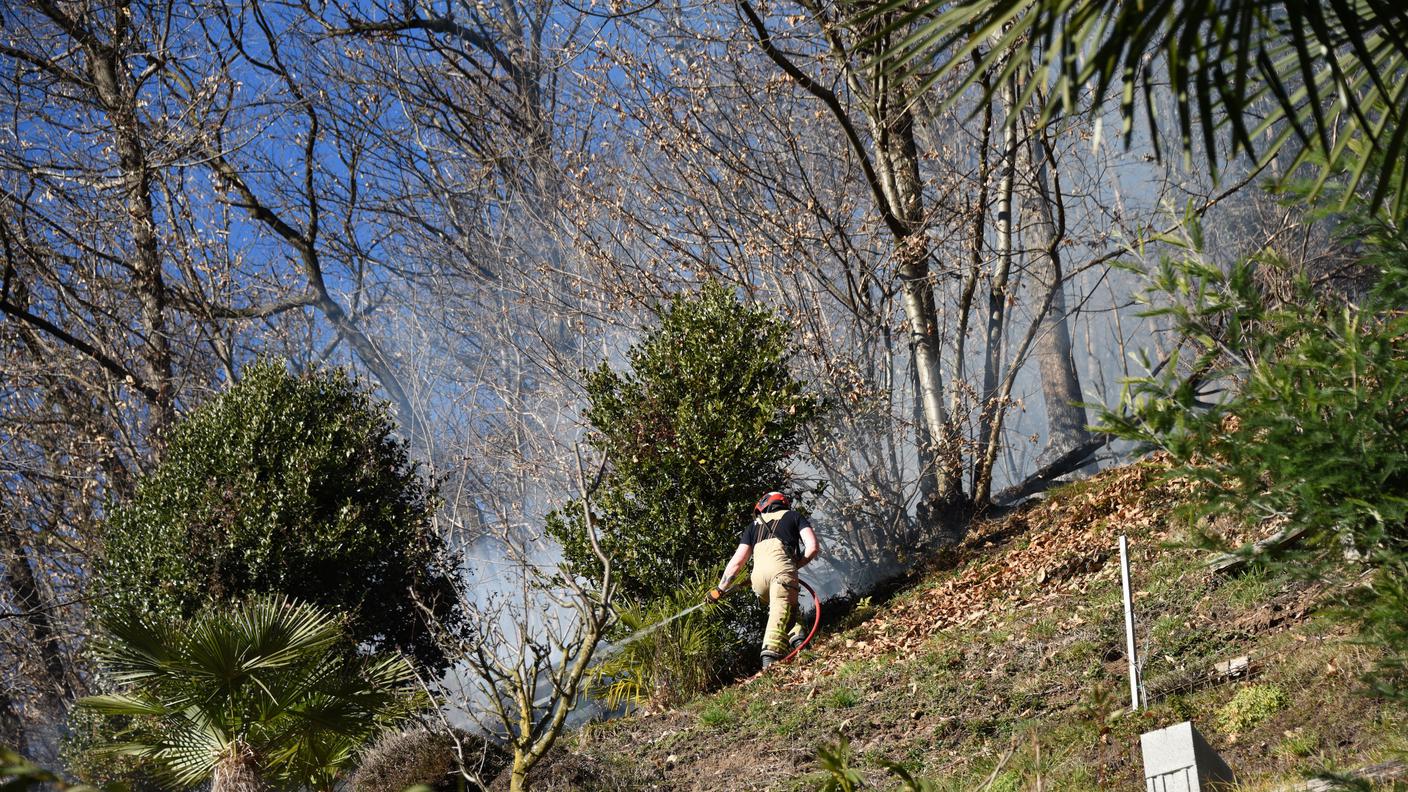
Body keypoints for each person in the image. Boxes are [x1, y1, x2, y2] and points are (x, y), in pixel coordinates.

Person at [708, 491, 821, 669]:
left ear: (763, 505)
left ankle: (801, 644)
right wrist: (795, 566)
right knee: (782, 607)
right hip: (782, 574)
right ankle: (770, 658)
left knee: (787, 608)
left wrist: (720, 589)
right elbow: (813, 547)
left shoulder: (753, 526)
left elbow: (737, 562)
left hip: (758, 582)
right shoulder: (794, 516)